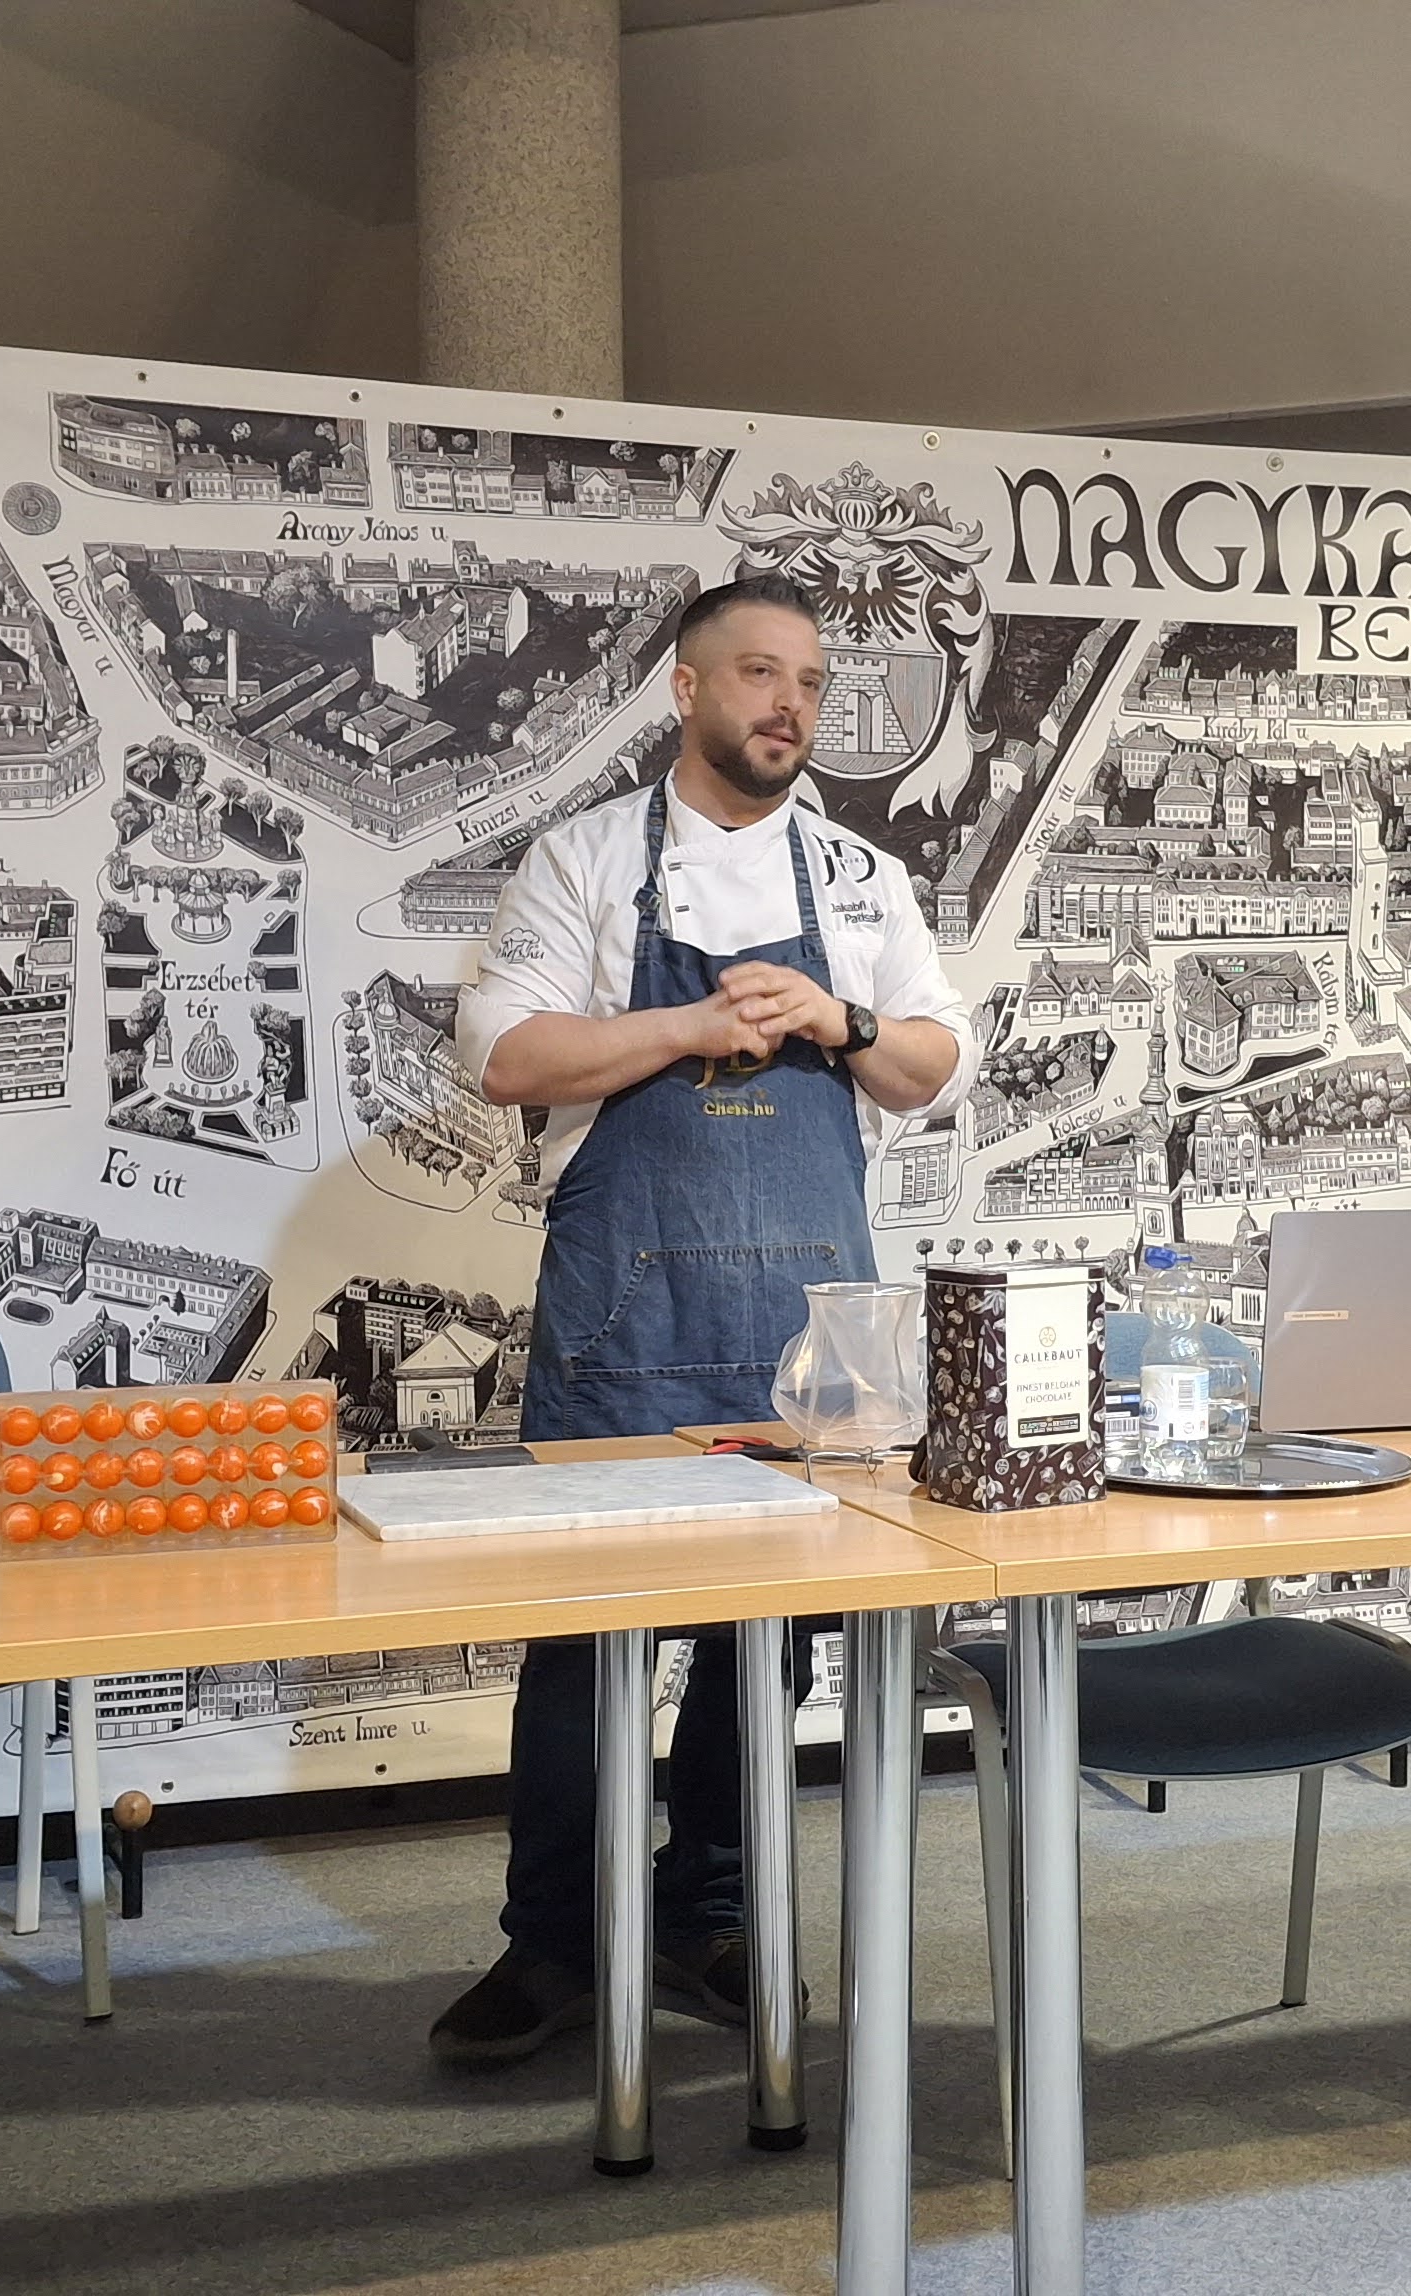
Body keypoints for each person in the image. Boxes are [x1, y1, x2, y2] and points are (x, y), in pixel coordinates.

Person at [429, 574, 969, 2065]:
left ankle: (707, 1918)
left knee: (764, 1654)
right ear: (686, 689)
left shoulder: (859, 879)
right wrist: (694, 1024)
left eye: (809, 681)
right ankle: (553, 1943)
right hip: (628, 1321)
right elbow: (507, 1054)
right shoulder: (589, 859)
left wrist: (837, 1020)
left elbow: (933, 1062)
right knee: (580, 1650)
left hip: (804, 1339)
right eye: (758, 674)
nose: (790, 704)